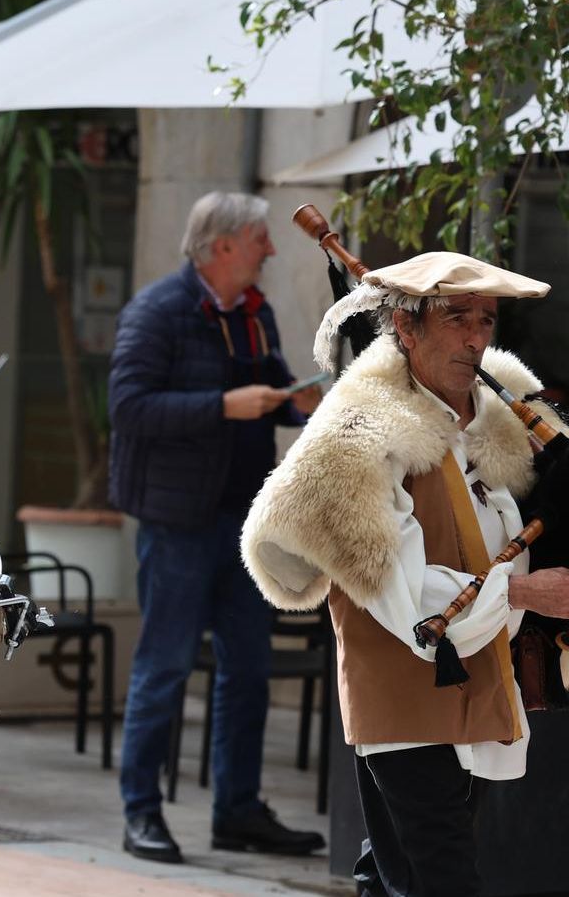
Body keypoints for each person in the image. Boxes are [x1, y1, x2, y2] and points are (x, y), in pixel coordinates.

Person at [243, 252, 569, 897]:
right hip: (405, 685)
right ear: (407, 328)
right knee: (437, 874)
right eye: (456, 318)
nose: (475, 336)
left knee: (393, 868)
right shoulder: (359, 432)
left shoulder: (491, 415)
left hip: (477, 681)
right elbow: (406, 596)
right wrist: (531, 592)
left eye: (485, 319)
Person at [107, 191, 325, 863]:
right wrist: (221, 406)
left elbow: (270, 391)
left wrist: (300, 402)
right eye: (261, 238)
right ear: (224, 246)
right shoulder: (158, 309)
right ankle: (140, 811)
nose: (271, 249)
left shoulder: (254, 313)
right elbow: (129, 407)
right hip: (178, 523)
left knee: (248, 671)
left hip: (246, 522)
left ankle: (238, 812)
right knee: (164, 668)